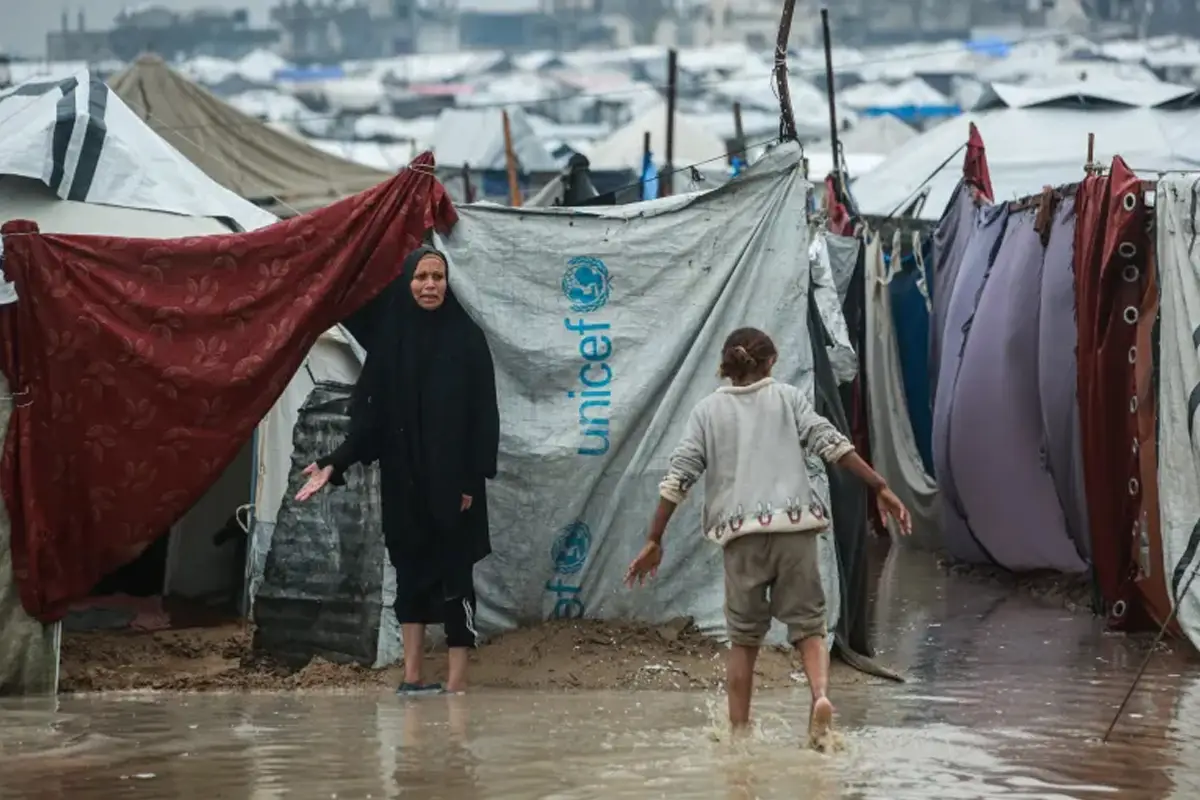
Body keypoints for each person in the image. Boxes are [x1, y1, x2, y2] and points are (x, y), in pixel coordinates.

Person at [624, 327, 911, 745]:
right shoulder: (789, 398)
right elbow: (833, 445)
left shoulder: (706, 412)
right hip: (794, 532)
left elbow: (678, 479)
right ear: (771, 362)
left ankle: (739, 737)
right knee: (810, 628)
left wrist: (654, 538)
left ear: (726, 366)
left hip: (741, 540)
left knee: (743, 641)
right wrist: (880, 485)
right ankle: (820, 698)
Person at [295, 245, 500, 696]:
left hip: (455, 487)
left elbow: (483, 415)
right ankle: (412, 677)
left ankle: (457, 684)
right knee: (409, 575)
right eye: (421, 277)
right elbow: (372, 423)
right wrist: (334, 462)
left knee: (455, 580)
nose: (430, 285)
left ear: (448, 282)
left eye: (437, 276)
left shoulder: (467, 339)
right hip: (405, 485)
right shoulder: (391, 343)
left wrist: (470, 479)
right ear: (407, 284)